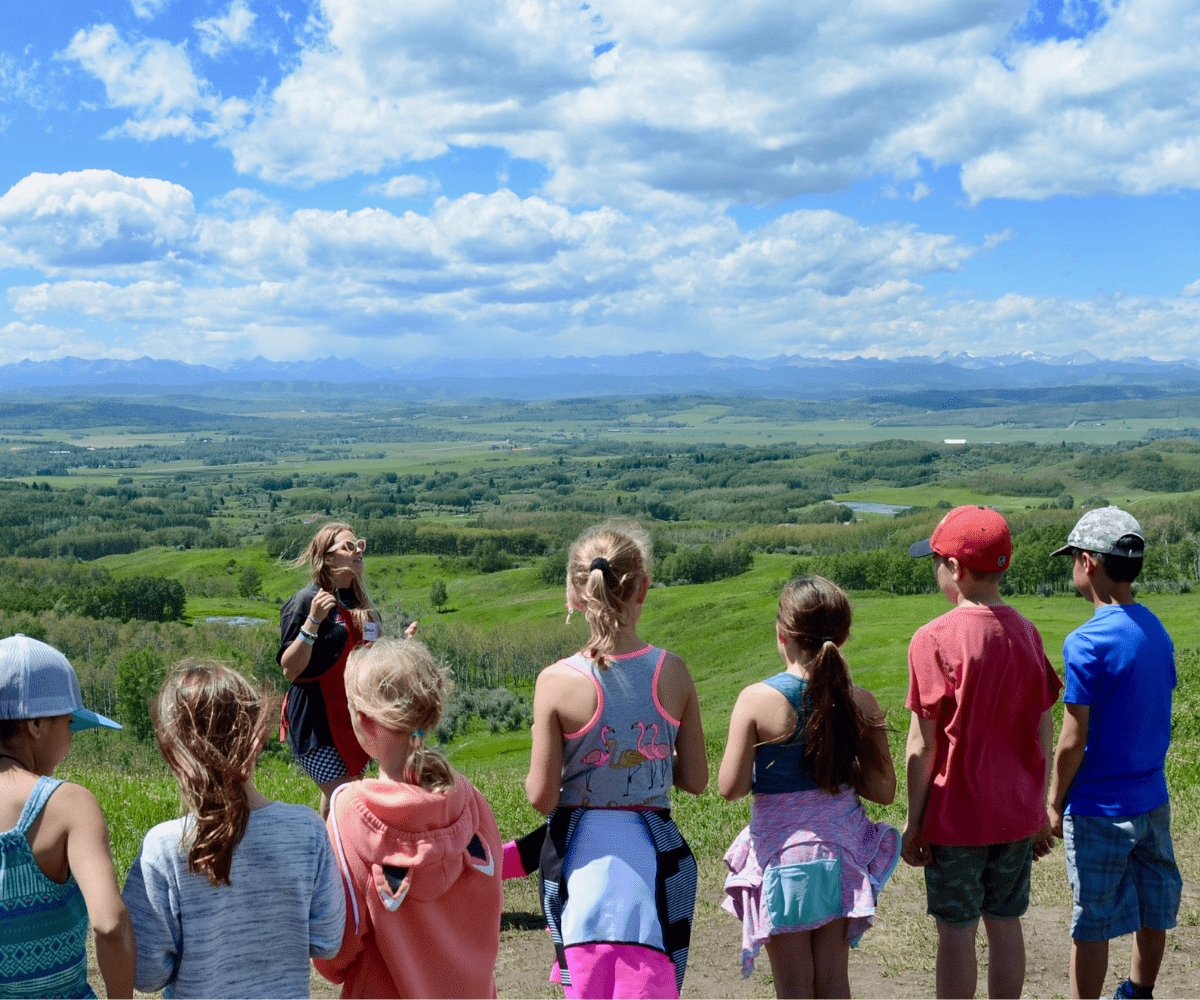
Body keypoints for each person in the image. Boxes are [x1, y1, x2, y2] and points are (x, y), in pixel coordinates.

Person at [526, 520, 709, 1000]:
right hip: (650, 863)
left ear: (575, 593)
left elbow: (541, 797)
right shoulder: (673, 671)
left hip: (581, 865)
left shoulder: (556, 681)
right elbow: (695, 780)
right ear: (643, 588)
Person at [903, 505, 1062, 1000]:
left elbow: (922, 745)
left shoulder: (932, 638)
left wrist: (915, 823)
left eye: (936, 561)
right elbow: (1043, 726)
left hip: (956, 820)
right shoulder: (1027, 634)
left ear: (954, 568)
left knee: (956, 932)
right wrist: (1038, 808)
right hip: (1015, 816)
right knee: (1006, 924)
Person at [718, 576, 900, 999]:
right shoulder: (861, 701)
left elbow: (730, 787)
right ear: (844, 635)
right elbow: (883, 790)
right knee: (834, 979)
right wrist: (838, 765)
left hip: (785, 856)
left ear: (782, 635)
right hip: (841, 849)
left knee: (795, 985)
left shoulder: (756, 700)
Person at [122, 661, 344, 999]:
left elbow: (147, 975)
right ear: (257, 740)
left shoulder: (164, 847)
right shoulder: (307, 829)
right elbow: (327, 941)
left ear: (174, 749)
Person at [314, 638, 502, 999]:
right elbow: (490, 906)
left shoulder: (349, 811)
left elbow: (338, 943)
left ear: (364, 720)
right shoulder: (471, 801)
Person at [1046, 507, 1182, 1000]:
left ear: (1088, 562)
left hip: (1098, 807)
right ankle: (1139, 992)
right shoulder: (1156, 629)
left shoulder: (1086, 641)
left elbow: (1072, 737)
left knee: (1093, 920)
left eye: (1072, 561)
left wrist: (1055, 802)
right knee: (1154, 904)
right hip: (1151, 795)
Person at [0, 633, 134, 1000]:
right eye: (70, 724)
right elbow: (109, 926)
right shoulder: (67, 804)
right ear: (36, 725)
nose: (71, 740)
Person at [278, 521, 383, 817]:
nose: (358, 551)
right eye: (348, 547)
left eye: (360, 544)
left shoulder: (361, 605)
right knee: (348, 800)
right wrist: (312, 621)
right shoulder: (306, 601)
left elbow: (372, 656)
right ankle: (335, 858)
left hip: (352, 720)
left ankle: (325, 855)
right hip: (317, 724)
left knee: (339, 802)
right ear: (326, 557)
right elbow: (290, 669)